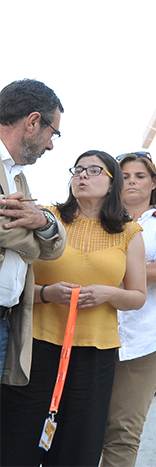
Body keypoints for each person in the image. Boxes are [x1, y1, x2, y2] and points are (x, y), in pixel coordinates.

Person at [0, 150, 147, 466]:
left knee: (79, 447)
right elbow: (16, 284)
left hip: (96, 352)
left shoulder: (130, 232)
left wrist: (109, 294)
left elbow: (137, 297)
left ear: (112, 184)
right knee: (17, 440)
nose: (82, 175)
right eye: (78, 169)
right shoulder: (46, 219)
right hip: (36, 345)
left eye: (94, 170)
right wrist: (48, 293)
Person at [101, 152, 156, 467]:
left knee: (123, 430)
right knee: (82, 424)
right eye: (125, 176)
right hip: (96, 332)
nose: (132, 182)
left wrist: (108, 272)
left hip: (147, 340)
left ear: (153, 183)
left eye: (140, 176)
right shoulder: (100, 221)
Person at [0, 79, 66, 388]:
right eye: (53, 133)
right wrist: (34, 244)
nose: (51, 145)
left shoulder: (18, 177)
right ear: (33, 121)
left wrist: (42, 221)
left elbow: (55, 248)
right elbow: (5, 230)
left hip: (6, 321)